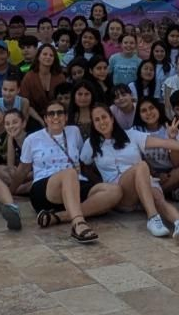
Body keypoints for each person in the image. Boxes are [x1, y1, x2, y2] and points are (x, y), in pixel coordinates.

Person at [80, 104, 179, 239]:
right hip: (121, 192)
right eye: (97, 120)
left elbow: (163, 143)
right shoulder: (90, 144)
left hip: (144, 182)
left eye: (104, 117)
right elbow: (83, 166)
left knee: (159, 199)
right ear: (93, 124)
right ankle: (152, 217)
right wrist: (99, 184)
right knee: (141, 166)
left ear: (112, 118)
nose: (102, 122)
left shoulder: (132, 135)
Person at [21, 101, 120, 243]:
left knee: (115, 191)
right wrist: (12, 189)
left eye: (60, 113)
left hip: (75, 183)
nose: (56, 117)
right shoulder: (32, 139)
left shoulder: (74, 131)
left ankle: (59, 217)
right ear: (45, 118)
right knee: (69, 172)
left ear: (66, 117)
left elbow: (80, 158)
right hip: (46, 187)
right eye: (51, 114)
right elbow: (23, 168)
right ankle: (78, 224)